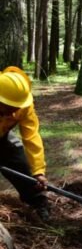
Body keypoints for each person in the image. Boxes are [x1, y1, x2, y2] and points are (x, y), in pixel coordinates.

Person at [0, 67, 51, 222]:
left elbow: (31, 136)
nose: (12, 112)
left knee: (22, 165)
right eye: (8, 108)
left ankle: (38, 201)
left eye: (15, 108)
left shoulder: (24, 106)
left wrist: (38, 171)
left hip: (2, 138)